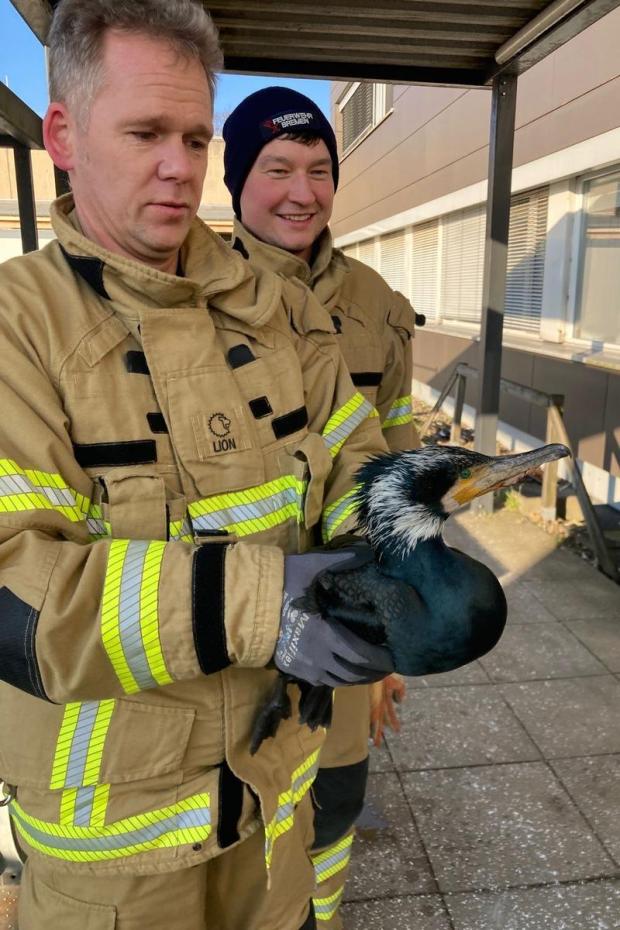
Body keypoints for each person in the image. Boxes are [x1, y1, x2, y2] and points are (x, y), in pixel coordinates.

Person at [0, 4, 399, 929]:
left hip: (274, 804)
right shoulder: (19, 327)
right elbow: (16, 588)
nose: (179, 167)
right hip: (119, 858)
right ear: (63, 134)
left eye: (193, 136)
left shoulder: (277, 308)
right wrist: (274, 600)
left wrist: (385, 552)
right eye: (145, 134)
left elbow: (356, 454)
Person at [222, 86, 421, 928]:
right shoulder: (190, 295)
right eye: (276, 169)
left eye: (318, 169)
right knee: (231, 831)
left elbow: (402, 463)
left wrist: (395, 638)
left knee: (334, 806)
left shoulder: (375, 303)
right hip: (232, 613)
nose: (302, 191)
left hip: (347, 608)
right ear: (234, 181)